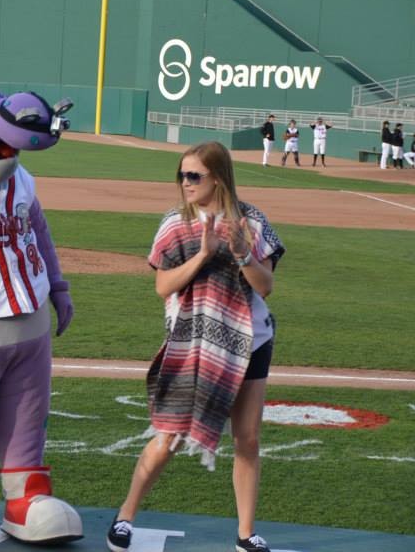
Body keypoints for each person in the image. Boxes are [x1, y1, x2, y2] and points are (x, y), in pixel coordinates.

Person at [106, 141, 285, 552]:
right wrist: (202, 255)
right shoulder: (175, 223)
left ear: (218, 178)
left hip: (249, 343)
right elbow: (162, 286)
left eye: (193, 176)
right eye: (181, 175)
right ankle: (125, 515)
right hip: (191, 343)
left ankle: (245, 534)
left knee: (248, 439)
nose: (184, 183)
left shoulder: (252, 223)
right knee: (169, 433)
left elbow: (266, 286)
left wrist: (242, 254)